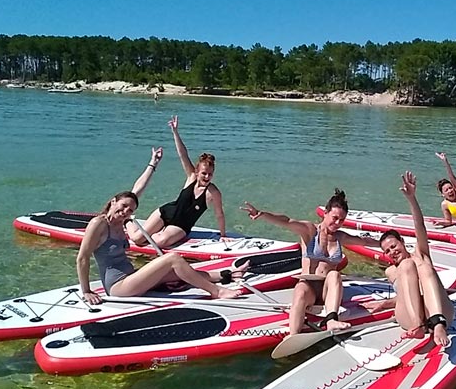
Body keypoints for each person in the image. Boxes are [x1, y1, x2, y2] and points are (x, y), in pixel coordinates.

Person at [77, 149, 242, 305]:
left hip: (131, 277)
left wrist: (153, 164)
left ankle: (226, 275)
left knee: (174, 273)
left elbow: (136, 191)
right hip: (118, 287)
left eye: (130, 210)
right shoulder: (99, 223)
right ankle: (216, 291)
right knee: (173, 258)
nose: (126, 211)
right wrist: (86, 291)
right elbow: (82, 258)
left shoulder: (120, 222)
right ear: (113, 201)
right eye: (123, 206)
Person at [241, 189, 379, 335]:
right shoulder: (310, 230)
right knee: (300, 290)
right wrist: (263, 215)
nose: (337, 223)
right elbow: (287, 221)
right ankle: (293, 336)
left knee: (334, 274)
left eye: (341, 220)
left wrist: (385, 243)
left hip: (328, 291)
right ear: (325, 213)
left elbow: (363, 241)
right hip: (309, 288)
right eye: (334, 217)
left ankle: (331, 320)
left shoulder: (340, 237)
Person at [361, 172, 456, 347]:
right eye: (387, 251)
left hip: (438, 311)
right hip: (410, 317)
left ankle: (438, 323)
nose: (392, 252)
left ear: (403, 242)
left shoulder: (420, 254)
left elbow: (419, 226)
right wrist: (384, 304)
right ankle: (418, 325)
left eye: (394, 246)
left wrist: (412, 198)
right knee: (406, 265)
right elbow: (407, 296)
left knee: (425, 268)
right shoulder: (391, 270)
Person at [126, 115, 228, 249]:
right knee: (137, 239)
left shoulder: (213, 192)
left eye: (210, 174)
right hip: (166, 212)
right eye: (204, 173)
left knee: (158, 242)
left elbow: (219, 214)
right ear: (197, 172)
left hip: (181, 226)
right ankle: (127, 220)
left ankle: (160, 231)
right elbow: (183, 154)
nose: (207, 177)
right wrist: (175, 132)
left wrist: (223, 235)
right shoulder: (191, 177)